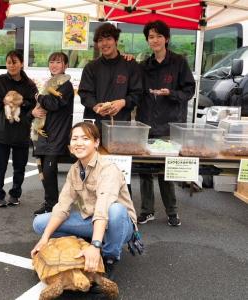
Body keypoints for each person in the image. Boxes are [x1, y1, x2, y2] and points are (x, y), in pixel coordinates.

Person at [31, 122, 142, 279]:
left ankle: (109, 257)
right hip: (92, 220)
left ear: (96, 142)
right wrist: (44, 239)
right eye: (75, 139)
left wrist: (95, 246)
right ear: (70, 145)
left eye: (85, 138)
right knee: (40, 223)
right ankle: (93, 240)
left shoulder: (108, 168)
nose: (79, 143)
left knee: (115, 210)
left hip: (119, 225)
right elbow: (62, 206)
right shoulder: (75, 169)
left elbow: (103, 208)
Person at [136, 20, 196, 227]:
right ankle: (147, 210)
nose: (155, 40)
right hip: (146, 123)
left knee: (167, 170)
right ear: (147, 40)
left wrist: (170, 92)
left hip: (170, 124)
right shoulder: (144, 65)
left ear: (166, 38)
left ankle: (172, 211)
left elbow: (189, 91)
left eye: (159, 36)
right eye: (151, 37)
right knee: (145, 170)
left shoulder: (179, 62)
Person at [0, 50, 38, 207]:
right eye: (8, 62)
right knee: (0, 165)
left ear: (21, 64)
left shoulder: (30, 84)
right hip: (2, 131)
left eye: (14, 62)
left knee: (19, 166)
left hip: (22, 130)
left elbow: (34, 104)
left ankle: (15, 194)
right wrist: (3, 102)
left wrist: (23, 103)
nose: (11, 65)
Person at [32, 52, 74, 215]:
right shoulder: (51, 83)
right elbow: (40, 107)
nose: (54, 65)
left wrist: (39, 97)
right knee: (45, 171)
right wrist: (34, 112)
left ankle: (53, 205)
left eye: (58, 62)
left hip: (56, 135)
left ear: (65, 66)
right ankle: (51, 202)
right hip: (45, 134)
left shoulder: (66, 84)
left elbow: (55, 104)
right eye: (51, 62)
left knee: (49, 171)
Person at [78, 23, 142, 129]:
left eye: (108, 39)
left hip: (120, 124)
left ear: (116, 41)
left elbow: (138, 93)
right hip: (94, 124)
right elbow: (85, 93)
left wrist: (123, 102)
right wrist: (94, 106)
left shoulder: (130, 65)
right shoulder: (91, 67)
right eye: (100, 40)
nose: (104, 43)